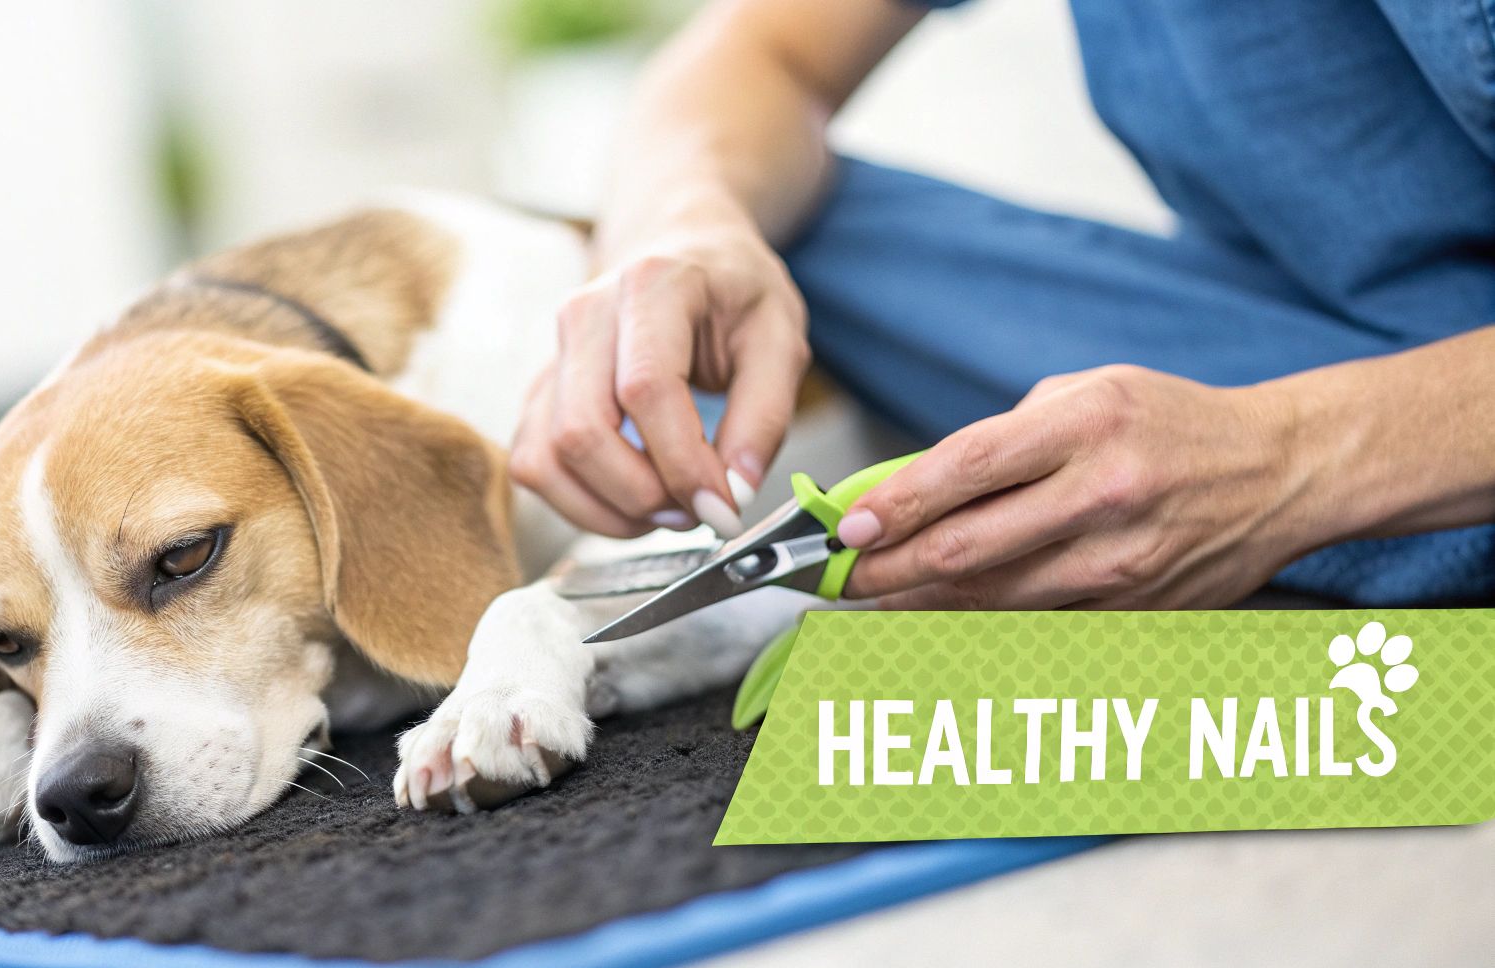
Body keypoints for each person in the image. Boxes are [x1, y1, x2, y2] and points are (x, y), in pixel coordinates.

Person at [507, 0, 1495, 609]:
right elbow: (764, 51)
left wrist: (1290, 459)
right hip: (1296, 341)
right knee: (774, 226)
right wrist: (680, 225)